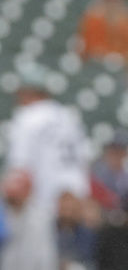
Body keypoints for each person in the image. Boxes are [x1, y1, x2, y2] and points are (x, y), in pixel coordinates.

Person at [5, 63, 90, 212]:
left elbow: (20, 167)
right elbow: (85, 157)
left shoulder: (26, 117)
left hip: (41, 201)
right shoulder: (68, 115)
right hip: (75, 196)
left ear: (28, 92)